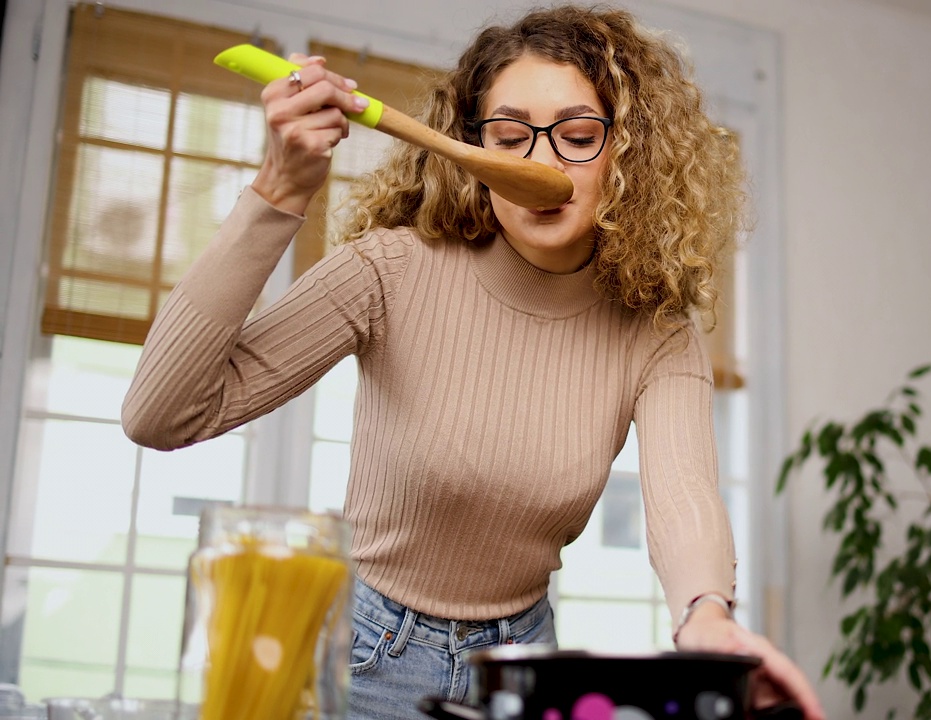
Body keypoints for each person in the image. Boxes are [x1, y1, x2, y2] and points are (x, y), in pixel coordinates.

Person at [122, 5, 824, 720]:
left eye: (579, 136)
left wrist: (705, 612)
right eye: (510, 137)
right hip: (366, 656)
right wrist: (279, 191)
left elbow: (684, 499)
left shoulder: (656, 331)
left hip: (521, 665)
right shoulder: (390, 270)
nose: (541, 162)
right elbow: (161, 414)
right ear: (470, 146)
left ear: (628, 154)